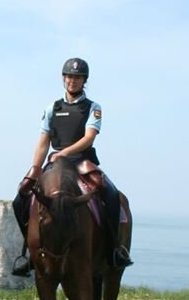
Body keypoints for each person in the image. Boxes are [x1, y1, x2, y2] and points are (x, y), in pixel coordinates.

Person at [11, 58, 132, 276]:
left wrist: (64, 153)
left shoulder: (93, 108)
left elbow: (89, 138)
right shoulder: (51, 108)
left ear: (84, 81)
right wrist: (35, 169)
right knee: (20, 198)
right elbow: (42, 142)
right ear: (63, 78)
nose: (72, 81)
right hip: (55, 164)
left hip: (81, 162)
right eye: (69, 76)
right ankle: (30, 253)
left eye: (77, 77)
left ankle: (114, 250)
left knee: (112, 195)